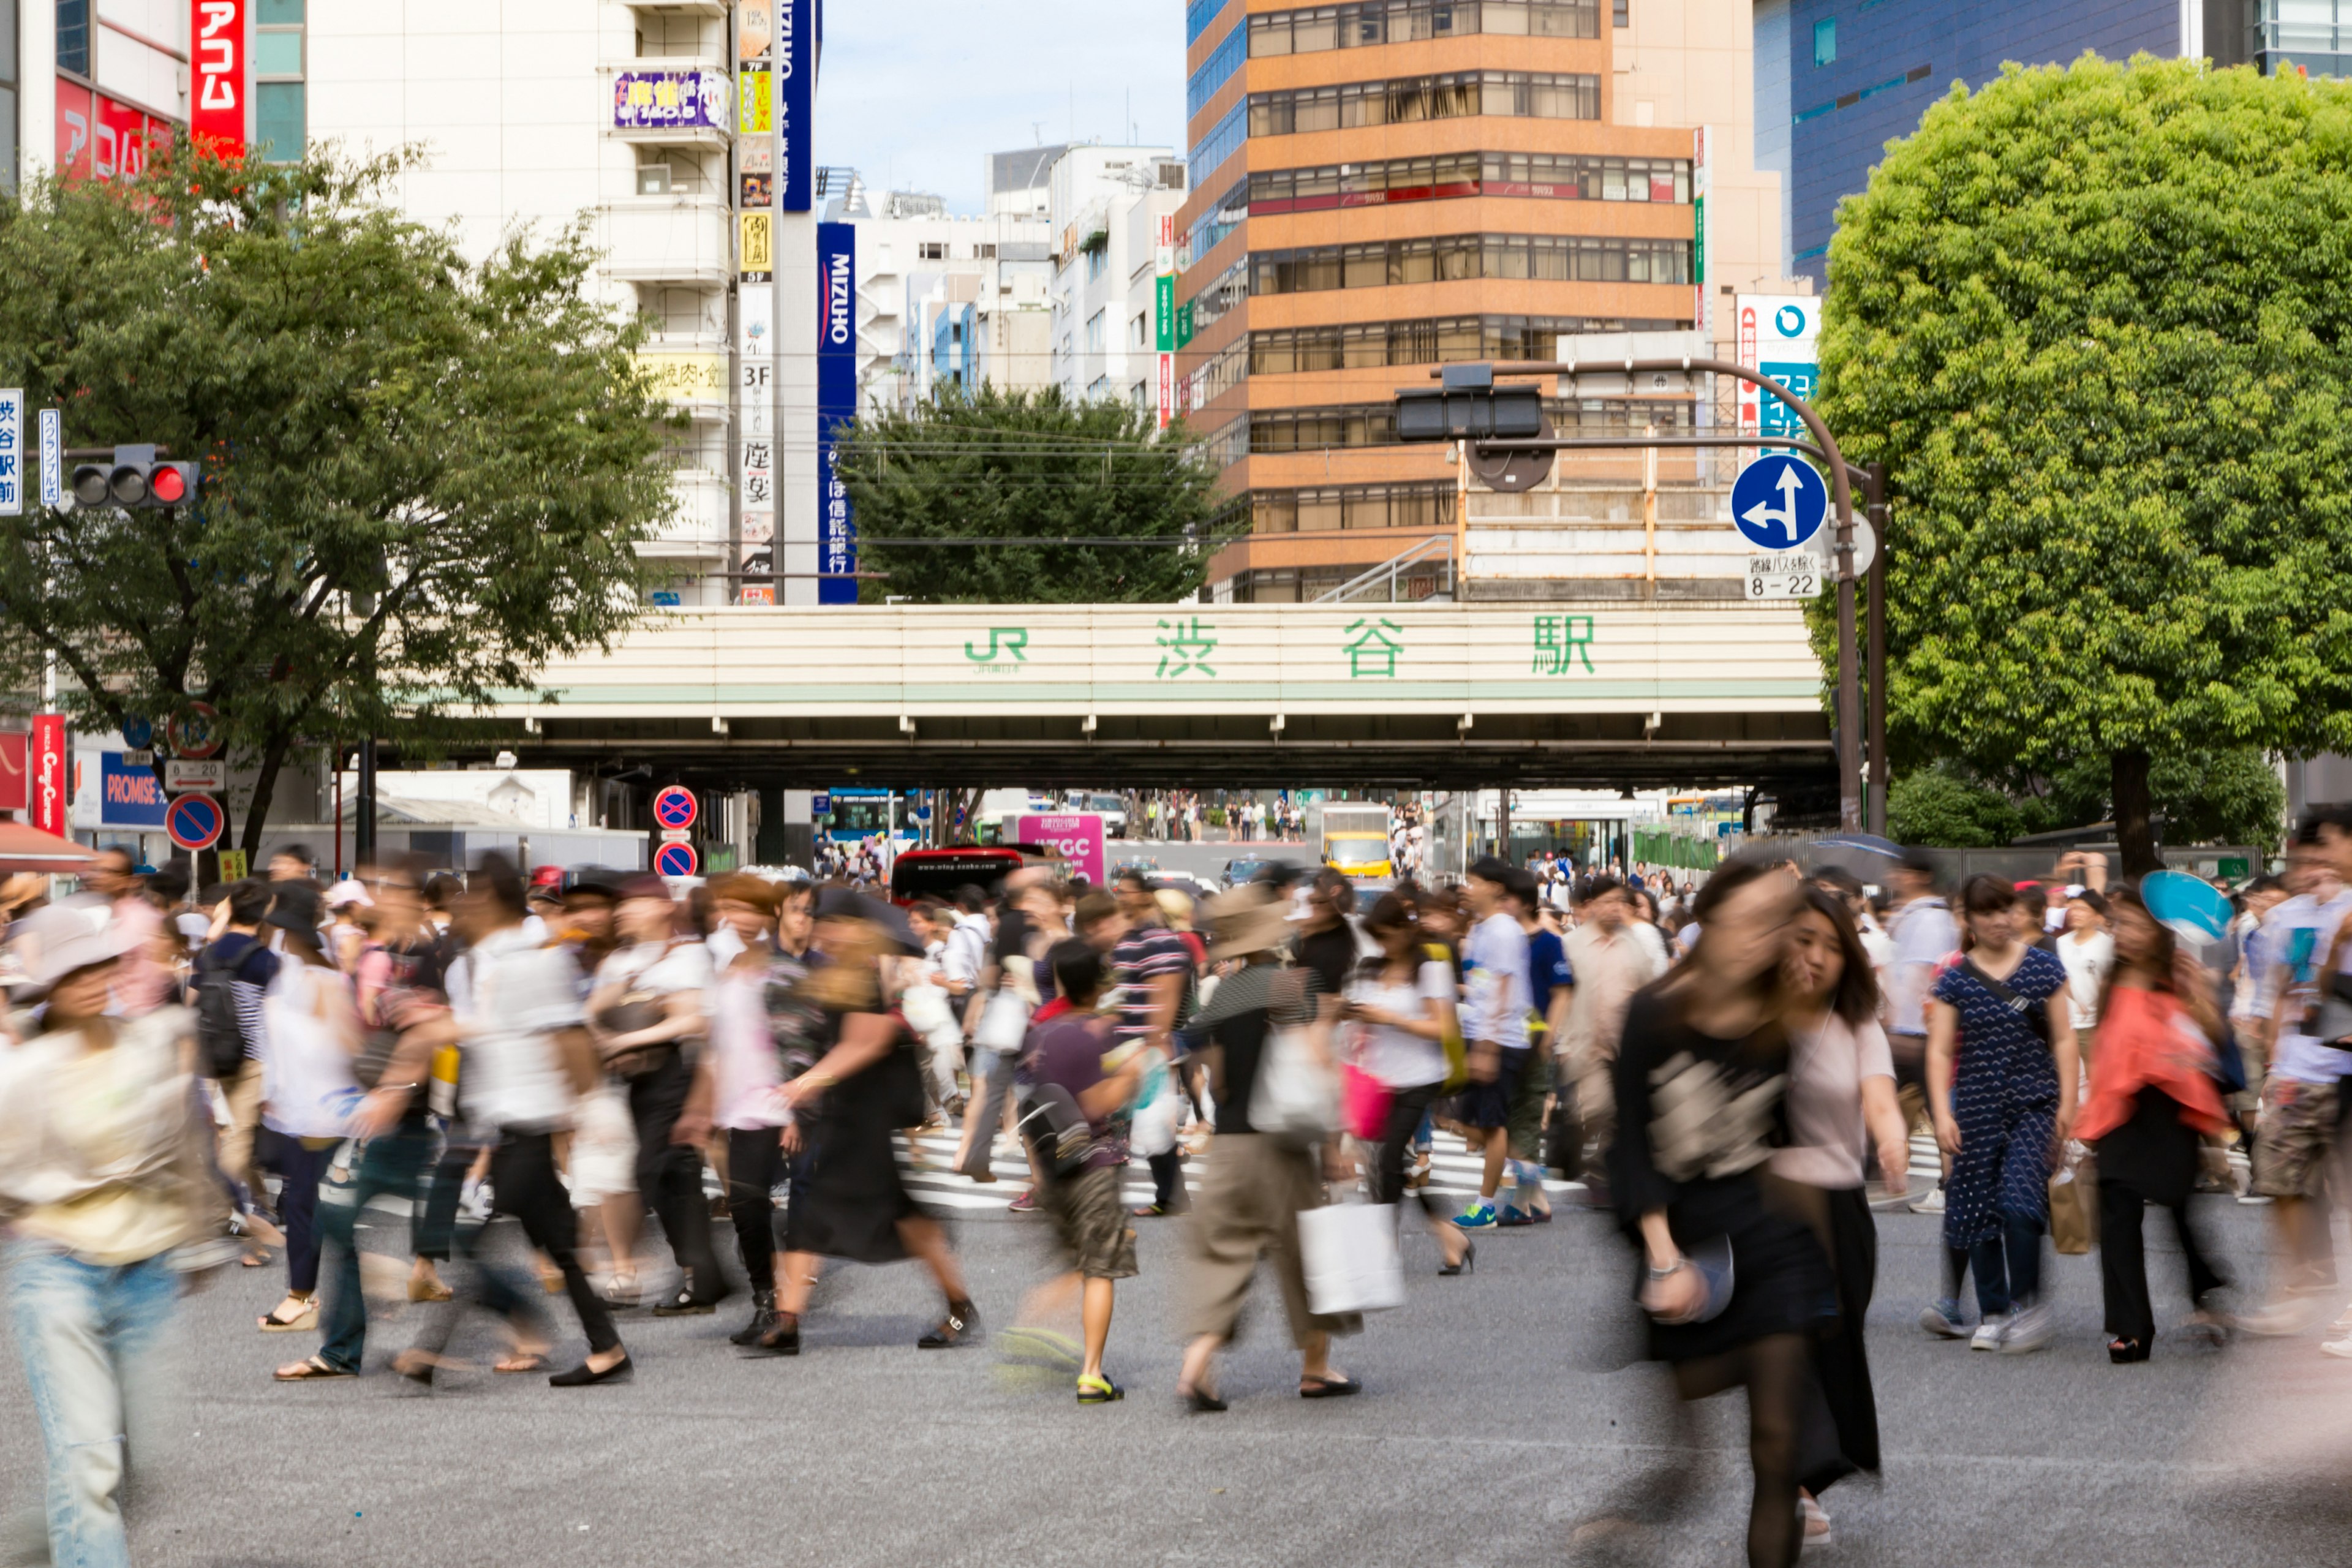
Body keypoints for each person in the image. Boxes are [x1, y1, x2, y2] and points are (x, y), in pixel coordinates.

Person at [1602, 858, 1829, 1568]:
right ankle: (1639, 1508)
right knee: (1689, 1444)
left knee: (1776, 1444)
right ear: (1709, 920)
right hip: (1683, 1230)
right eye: (1749, 922)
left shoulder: (1785, 1009)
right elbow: (1631, 1146)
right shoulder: (1655, 1012)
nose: (1762, 940)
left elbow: (1793, 1125)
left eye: (1777, 924)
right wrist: (1662, 1256)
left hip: (1768, 1229)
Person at [0, 902, 214, 1568]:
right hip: (57, 1269)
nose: (93, 979)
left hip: (147, 1265)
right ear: (50, 990)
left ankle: (30, 1547)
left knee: (128, 1465)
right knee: (89, 1458)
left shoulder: (149, 1043)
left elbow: (186, 1142)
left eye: (99, 963)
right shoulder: (26, 1073)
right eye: (74, 972)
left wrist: (201, 1233)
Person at [754, 888, 978, 1356]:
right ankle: (788, 1321)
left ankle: (960, 1304)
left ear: (855, 929)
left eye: (831, 924)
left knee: (903, 1218)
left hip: (868, 1112)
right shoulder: (833, 971)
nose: (823, 931)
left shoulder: (862, 972)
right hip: (845, 1109)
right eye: (821, 923)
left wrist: (808, 1082)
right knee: (814, 1216)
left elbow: (867, 1042)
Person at [1174, 883, 1362, 1409]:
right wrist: (1334, 1143)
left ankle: (1196, 1364)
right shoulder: (1292, 986)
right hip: (1281, 1146)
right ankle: (1316, 1369)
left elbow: (1207, 1067)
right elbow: (1314, 1065)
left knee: (1224, 1256)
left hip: (1229, 1144)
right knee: (1309, 1256)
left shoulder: (1217, 993)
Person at [1774, 886, 1910, 1548]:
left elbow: (1879, 1096)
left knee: (1834, 1345)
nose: (1818, 957)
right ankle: (1793, 1486)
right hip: (1766, 1212)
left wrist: (1891, 1139)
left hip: (1838, 1207)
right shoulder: (1752, 1015)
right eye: (1805, 940)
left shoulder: (1857, 1021)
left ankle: (1806, 1481)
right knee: (1781, 1350)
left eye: (1832, 945)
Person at [1924, 875, 2079, 1352]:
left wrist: (2070, 1103)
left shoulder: (2043, 969)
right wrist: (1942, 1115)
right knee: (1976, 1205)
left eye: (2004, 909)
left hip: (2034, 1102)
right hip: (1974, 1105)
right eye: (1986, 913)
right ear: (1968, 920)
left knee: (2019, 1199)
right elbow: (1937, 1052)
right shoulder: (1954, 979)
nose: (1998, 920)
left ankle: (2025, 1305)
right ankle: (1991, 1312)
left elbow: (2064, 1037)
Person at [2076, 888, 2232, 1362]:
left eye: (2136, 925)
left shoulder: (2179, 975)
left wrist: (2197, 993)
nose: (2124, 934)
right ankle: (2132, 1327)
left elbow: (2212, 1039)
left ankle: (2205, 1291)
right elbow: (2105, 1048)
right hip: (2122, 1108)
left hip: (2171, 1108)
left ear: (2160, 932)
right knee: (2118, 1213)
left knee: (2179, 1206)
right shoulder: (2112, 981)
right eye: (2120, 924)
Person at [1013, 940, 1149, 1402]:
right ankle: (1091, 1372)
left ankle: (1036, 1321)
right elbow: (1099, 1104)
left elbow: (1029, 1107)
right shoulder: (1098, 1034)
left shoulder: (1040, 1035)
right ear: (1097, 982)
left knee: (1076, 1264)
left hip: (1054, 1167)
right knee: (1099, 1270)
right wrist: (1133, 1074)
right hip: (1095, 1164)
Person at [587, 875, 726, 1316]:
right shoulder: (619, 961)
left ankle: (640, 1271)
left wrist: (626, 1040)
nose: (624, 912)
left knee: (650, 1172)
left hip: (678, 1076)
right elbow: (588, 1014)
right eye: (621, 906)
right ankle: (703, 1277)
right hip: (633, 1082)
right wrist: (607, 1040)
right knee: (674, 1180)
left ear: (664, 907)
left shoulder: (687, 955)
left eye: (635, 904)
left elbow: (693, 1023)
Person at [2241, 811, 2352, 1335]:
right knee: (2277, 1174)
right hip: (2297, 1070)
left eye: (2321, 854)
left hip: (2343, 1072)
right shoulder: (2288, 919)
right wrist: (2271, 1061)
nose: (2311, 868)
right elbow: (2276, 990)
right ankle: (2305, 1279)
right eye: (2302, 860)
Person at [254, 881, 362, 1335]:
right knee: (309, 1203)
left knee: (303, 1202)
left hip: (323, 1110)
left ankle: (303, 1297)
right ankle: (323, 1291)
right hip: (296, 1110)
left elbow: (348, 1049)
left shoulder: (322, 980)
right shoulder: (293, 974)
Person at [1344, 894, 1470, 1273]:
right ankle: (1452, 1236)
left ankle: (1384, 1244)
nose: (1383, 945)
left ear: (1404, 929)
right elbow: (1357, 1021)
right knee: (1389, 1162)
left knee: (1389, 1157)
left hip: (1420, 1076)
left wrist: (1387, 1017)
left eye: (1387, 936)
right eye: (1376, 937)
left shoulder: (1429, 968)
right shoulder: (1369, 969)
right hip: (1378, 1078)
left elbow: (1442, 1028)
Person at [696, 873, 796, 1346]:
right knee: (744, 1206)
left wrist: (796, 1111)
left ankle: (779, 1304)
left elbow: (796, 1043)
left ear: (767, 914)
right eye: (729, 907)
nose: (736, 917)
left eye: (747, 908)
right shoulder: (730, 961)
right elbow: (719, 1039)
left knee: (752, 1202)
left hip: (777, 1101)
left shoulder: (781, 965)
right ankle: (767, 1299)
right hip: (737, 1103)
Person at [1561, 875, 1665, 1209]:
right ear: (1591, 906)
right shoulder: (1572, 945)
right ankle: (1571, 1145)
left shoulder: (1633, 944)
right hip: (1586, 1044)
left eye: (1620, 902)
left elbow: (1649, 990)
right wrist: (1561, 1043)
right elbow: (1561, 998)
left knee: (1615, 1115)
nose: (1614, 909)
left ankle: (1599, 1174)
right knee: (1593, 1110)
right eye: (1606, 903)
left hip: (1625, 1045)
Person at [1452, 857, 1534, 1231]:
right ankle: (1526, 1169)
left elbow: (1503, 990)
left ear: (1495, 889)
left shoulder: (1502, 930)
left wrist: (1487, 1048)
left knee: (1492, 1122)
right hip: (1482, 1032)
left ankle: (1486, 1205)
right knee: (1475, 1122)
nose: (1467, 887)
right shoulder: (1483, 928)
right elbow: (1485, 983)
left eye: (1474, 881)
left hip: (1499, 1038)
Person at [1884, 850, 1959, 1213]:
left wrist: (1900, 1024)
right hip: (1912, 1032)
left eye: (1900, 873)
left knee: (1938, 1108)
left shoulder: (1929, 919)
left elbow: (1921, 976)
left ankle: (1950, 1185)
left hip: (1918, 1032)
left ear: (1916, 876)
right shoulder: (1915, 916)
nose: (1895, 879)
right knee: (1925, 1105)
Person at [2056, 888, 2116, 1038]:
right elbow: (2061, 980)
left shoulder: (2108, 945)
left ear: (2097, 916)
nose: (2075, 913)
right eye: (2073, 908)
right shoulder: (2061, 942)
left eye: (2083, 909)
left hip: (2093, 1024)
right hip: (2064, 1023)